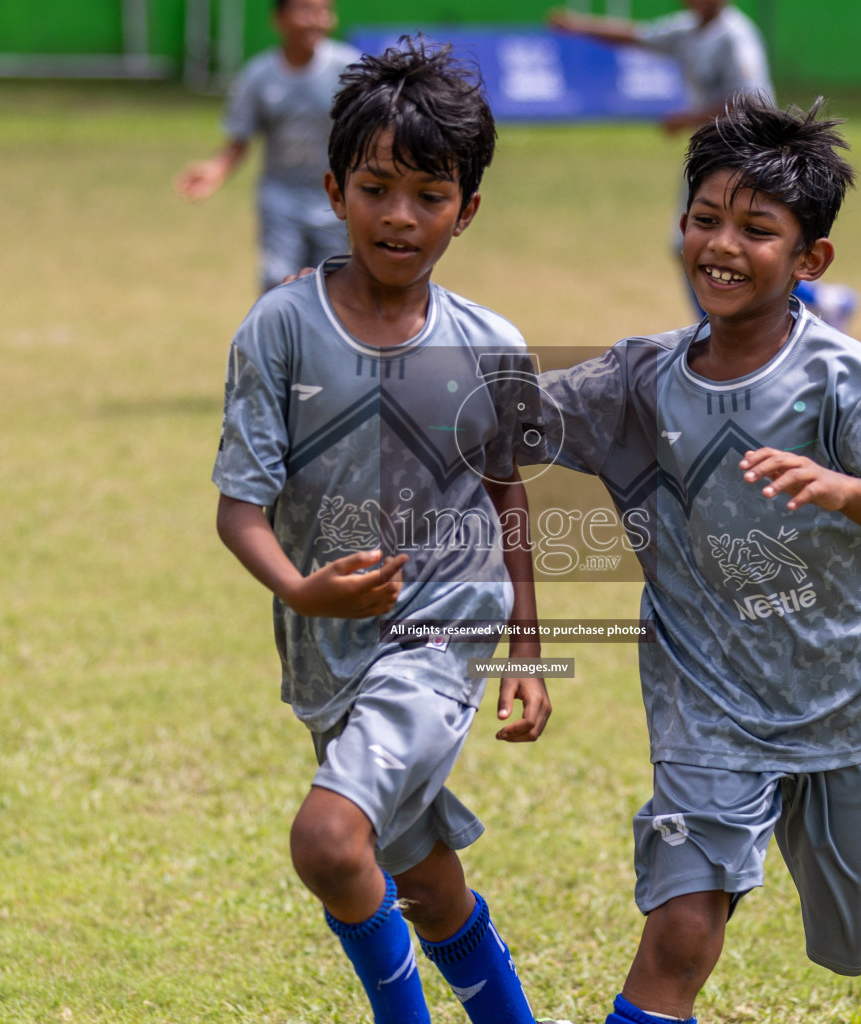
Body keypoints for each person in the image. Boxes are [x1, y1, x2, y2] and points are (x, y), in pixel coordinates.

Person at [524, 95, 861, 1024]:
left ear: (811, 261)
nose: (722, 245)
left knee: (850, 947)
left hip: (846, 696)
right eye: (705, 220)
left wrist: (843, 489)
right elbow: (501, 422)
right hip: (707, 700)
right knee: (681, 926)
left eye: (757, 230)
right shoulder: (638, 379)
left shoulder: (846, 378)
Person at [212, 37, 568, 1024]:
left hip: (446, 627)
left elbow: (508, 498)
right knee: (422, 873)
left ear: (468, 209)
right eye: (376, 187)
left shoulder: (490, 345)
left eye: (429, 193)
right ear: (334, 189)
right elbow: (239, 507)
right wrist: (299, 588)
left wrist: (526, 651)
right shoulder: (277, 330)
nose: (400, 215)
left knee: (330, 841)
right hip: (327, 644)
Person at [548, 0, 858, 331]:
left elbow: (749, 100)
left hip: (744, 155)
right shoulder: (687, 29)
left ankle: (722, 327)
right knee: (699, 243)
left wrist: (688, 118)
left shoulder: (735, 38)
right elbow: (636, 36)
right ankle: (815, 302)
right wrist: (579, 26)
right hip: (713, 154)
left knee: (703, 244)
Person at [174, 0, 357, 292]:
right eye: (307, 11)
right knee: (279, 285)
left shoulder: (348, 69)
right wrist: (215, 170)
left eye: (324, 11)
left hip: (335, 202)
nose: (317, 20)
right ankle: (277, 338)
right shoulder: (259, 75)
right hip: (280, 200)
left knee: (335, 290)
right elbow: (239, 138)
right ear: (279, 19)